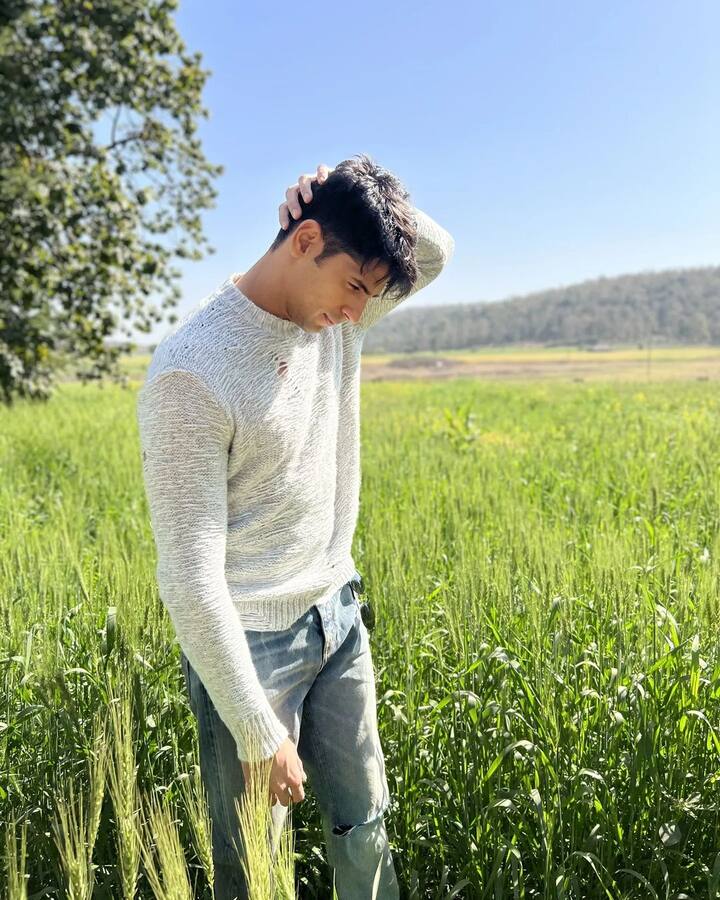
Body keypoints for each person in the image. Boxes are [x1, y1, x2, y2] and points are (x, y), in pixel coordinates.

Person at [136, 153, 454, 899]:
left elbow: (436, 253)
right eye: (355, 287)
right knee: (254, 865)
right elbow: (188, 578)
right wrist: (256, 728)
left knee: (365, 825)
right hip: (248, 647)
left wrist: (346, 180)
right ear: (304, 241)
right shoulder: (192, 373)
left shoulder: (337, 320)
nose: (358, 311)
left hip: (338, 616)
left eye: (369, 294)